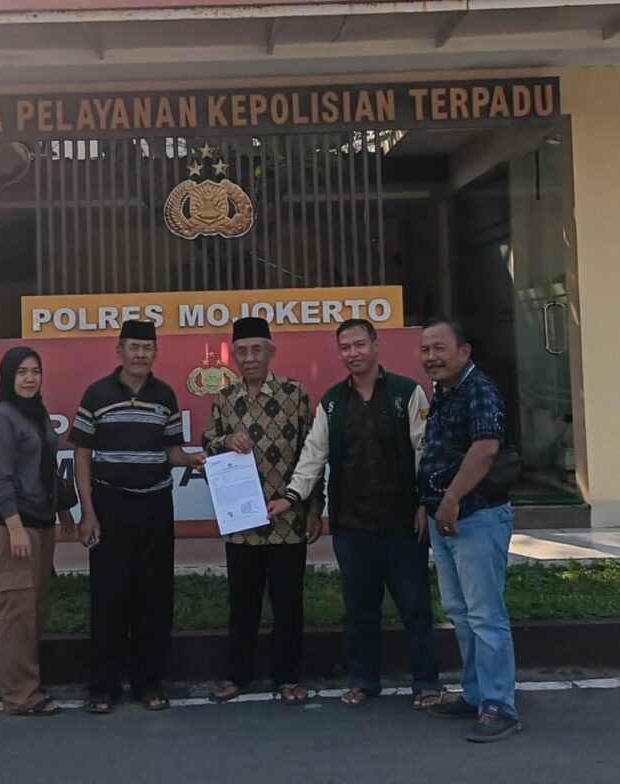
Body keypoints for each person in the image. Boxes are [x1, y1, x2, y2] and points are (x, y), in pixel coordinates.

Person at [268, 319, 439, 709]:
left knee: (416, 608)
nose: (353, 353)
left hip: (402, 524)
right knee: (360, 611)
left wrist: (424, 502)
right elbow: (313, 455)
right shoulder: (331, 402)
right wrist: (292, 496)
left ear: (376, 346)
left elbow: (425, 450)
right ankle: (363, 681)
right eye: (345, 347)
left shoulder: (407, 393)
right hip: (352, 526)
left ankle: (426, 683)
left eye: (360, 344)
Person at [72, 319, 205, 715]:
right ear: (120, 351)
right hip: (109, 506)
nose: (140, 354)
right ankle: (104, 686)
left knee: (154, 597)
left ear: (156, 353)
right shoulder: (96, 394)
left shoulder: (165, 396)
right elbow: (82, 454)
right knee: (108, 598)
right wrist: (87, 511)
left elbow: (172, 452)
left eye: (147, 348)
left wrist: (194, 459)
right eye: (133, 347)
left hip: (155, 507)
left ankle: (148, 683)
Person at [203, 317, 324, 706]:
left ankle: (287, 676)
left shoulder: (294, 393)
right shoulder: (225, 398)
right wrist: (226, 439)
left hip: (287, 518)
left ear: (271, 352)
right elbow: (207, 443)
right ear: (233, 356)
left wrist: (314, 508)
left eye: (257, 349)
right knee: (242, 602)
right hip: (242, 522)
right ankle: (238, 674)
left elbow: (312, 453)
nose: (249, 357)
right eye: (242, 351)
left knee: (288, 602)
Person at [417, 317, 521, 743]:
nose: (430, 356)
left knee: (485, 614)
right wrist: (428, 503)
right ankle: (476, 694)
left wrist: (451, 499)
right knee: (461, 613)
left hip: (475, 515)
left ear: (464, 351)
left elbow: (485, 448)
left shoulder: (479, 388)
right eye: (425, 349)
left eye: (439, 348)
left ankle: (500, 705)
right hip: (444, 518)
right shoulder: (444, 391)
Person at [0, 346, 76, 717]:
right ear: (8, 376)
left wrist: (63, 509)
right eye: (21, 372)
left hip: (40, 523)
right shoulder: (0, 419)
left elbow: (48, 466)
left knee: (33, 609)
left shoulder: (36, 413)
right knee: (16, 612)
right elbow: (0, 480)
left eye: (35, 371)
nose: (29, 378)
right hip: (11, 528)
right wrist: (15, 528)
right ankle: (19, 695)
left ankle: (28, 683)